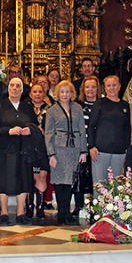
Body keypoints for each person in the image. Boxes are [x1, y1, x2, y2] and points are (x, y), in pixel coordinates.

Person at [0, 77, 39, 225]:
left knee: (23, 180)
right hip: (4, 149)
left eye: (18, 86)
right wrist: (9, 131)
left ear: (22, 90)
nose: (15, 88)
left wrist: (29, 130)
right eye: (12, 85)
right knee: (3, 180)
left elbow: (35, 126)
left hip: (23, 150)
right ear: (8, 88)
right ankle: (3, 211)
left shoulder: (27, 107)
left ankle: (20, 212)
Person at [45, 80, 88, 225]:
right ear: (57, 93)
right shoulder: (52, 110)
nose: (65, 94)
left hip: (74, 149)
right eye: (62, 92)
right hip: (58, 149)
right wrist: (51, 154)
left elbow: (82, 130)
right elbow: (48, 133)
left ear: (72, 93)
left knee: (70, 181)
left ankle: (67, 212)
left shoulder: (77, 108)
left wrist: (83, 151)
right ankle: (62, 212)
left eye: (67, 91)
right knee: (59, 181)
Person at [88, 75, 131, 183]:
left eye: (114, 85)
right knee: (100, 185)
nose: (112, 88)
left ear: (120, 86)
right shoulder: (99, 104)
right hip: (100, 151)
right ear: (105, 88)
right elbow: (91, 126)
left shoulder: (125, 105)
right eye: (109, 85)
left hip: (119, 152)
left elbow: (127, 128)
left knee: (116, 186)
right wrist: (91, 146)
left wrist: (127, 149)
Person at [75, 75, 100, 215]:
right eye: (87, 87)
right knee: (79, 177)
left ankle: (94, 207)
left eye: (93, 87)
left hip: (97, 147)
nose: (90, 90)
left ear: (97, 89)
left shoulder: (102, 104)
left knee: (94, 179)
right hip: (81, 147)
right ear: (83, 89)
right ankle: (79, 207)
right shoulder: (78, 105)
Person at [28, 83, 51, 222]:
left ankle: (40, 207)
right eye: (34, 91)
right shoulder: (25, 108)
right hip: (29, 148)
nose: (37, 94)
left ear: (44, 94)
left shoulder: (50, 109)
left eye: (40, 92)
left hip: (44, 147)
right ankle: (29, 206)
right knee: (30, 177)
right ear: (30, 94)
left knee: (42, 176)